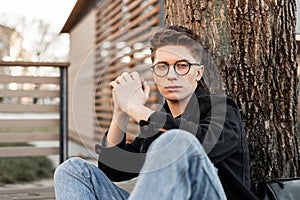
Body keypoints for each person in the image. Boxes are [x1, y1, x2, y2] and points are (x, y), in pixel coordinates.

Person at [54, 26, 258, 200]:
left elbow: (197, 142)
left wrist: (137, 109)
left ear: (199, 72)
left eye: (182, 66)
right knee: (73, 170)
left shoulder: (221, 109)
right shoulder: (155, 123)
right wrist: (121, 112)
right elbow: (112, 170)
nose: (171, 75)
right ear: (154, 74)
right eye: (163, 66)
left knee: (176, 141)